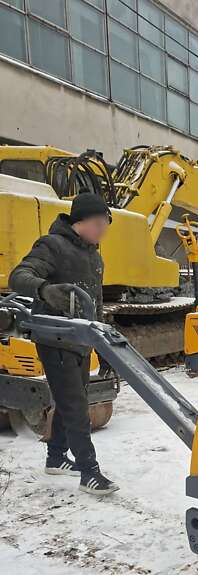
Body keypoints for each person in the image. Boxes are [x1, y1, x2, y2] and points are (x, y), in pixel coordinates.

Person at [9, 192, 119, 495]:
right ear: (81, 220)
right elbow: (19, 275)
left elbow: (95, 303)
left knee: (70, 398)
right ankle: (89, 472)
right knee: (76, 406)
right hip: (55, 337)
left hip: (81, 338)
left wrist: (103, 347)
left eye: (106, 224)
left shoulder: (94, 255)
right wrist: (45, 289)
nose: (103, 230)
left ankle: (56, 457)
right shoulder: (52, 245)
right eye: (99, 223)